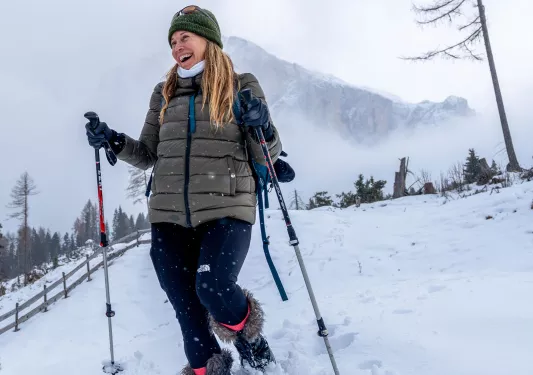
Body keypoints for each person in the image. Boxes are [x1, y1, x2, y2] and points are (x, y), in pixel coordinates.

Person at [85, 5, 284, 375]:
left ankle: (252, 342)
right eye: (173, 41)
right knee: (187, 310)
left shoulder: (242, 86)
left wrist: (263, 127)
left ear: (208, 40)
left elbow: (266, 152)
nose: (177, 46)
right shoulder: (164, 93)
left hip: (227, 210)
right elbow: (146, 154)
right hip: (168, 217)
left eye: (185, 37)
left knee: (212, 286)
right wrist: (111, 140)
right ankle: (209, 370)